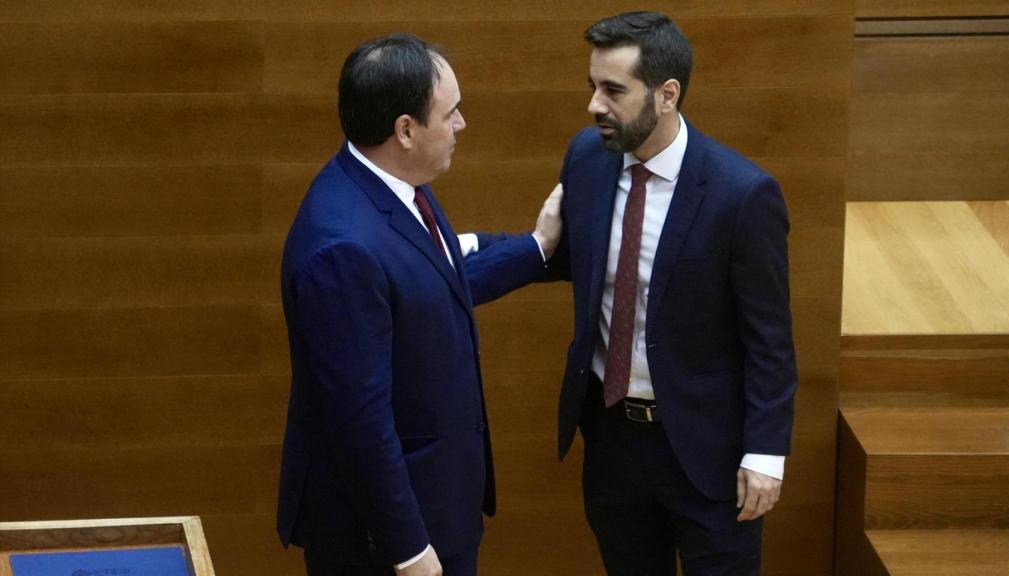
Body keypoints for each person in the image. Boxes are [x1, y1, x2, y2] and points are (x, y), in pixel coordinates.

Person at [275, 33, 562, 576]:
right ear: (405, 129)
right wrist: (408, 548)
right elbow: (359, 419)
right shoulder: (343, 247)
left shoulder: (388, 186)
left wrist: (538, 249)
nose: (461, 125)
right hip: (386, 542)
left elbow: (434, 284)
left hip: (437, 508)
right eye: (450, 113)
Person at [546, 12, 798, 576]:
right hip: (613, 443)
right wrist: (459, 249)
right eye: (592, 87)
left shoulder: (742, 195)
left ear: (666, 94)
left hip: (710, 454)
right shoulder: (587, 159)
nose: (594, 106)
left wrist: (765, 454)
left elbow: (770, 341)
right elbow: (563, 255)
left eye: (613, 90)